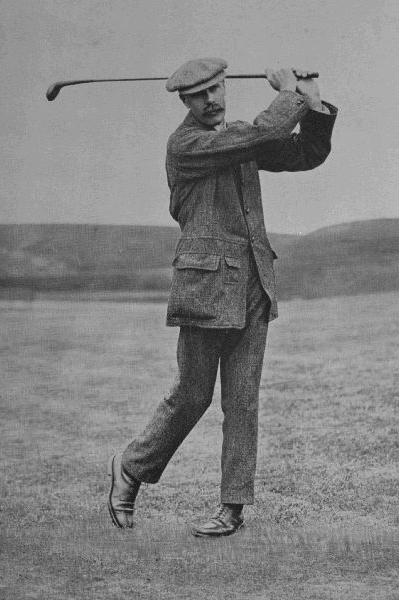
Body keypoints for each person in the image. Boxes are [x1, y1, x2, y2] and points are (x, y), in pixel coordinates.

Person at [108, 57, 337, 537]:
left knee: (243, 401)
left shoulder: (237, 137)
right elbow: (261, 133)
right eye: (199, 95)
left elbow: (305, 154)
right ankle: (130, 468)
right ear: (184, 100)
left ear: (224, 87)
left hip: (254, 282)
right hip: (207, 288)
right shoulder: (188, 144)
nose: (211, 100)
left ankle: (232, 507)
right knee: (192, 396)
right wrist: (288, 93)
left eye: (216, 89)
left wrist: (313, 104)